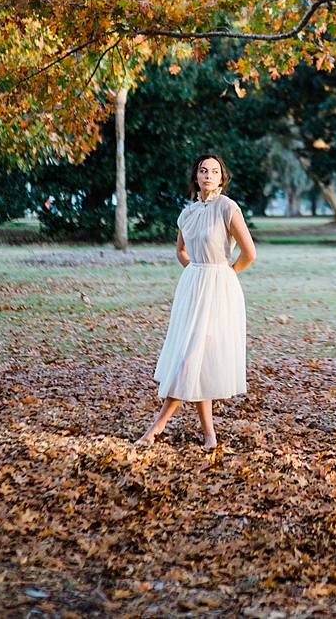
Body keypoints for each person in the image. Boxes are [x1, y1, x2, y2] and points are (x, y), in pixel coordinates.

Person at [135, 153, 256, 450]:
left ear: (221, 178)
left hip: (219, 288)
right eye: (203, 170)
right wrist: (194, 272)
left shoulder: (228, 208)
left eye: (214, 171)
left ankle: (157, 427)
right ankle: (209, 435)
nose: (208, 175)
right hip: (193, 287)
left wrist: (226, 275)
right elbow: (181, 251)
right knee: (194, 359)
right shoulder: (187, 213)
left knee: (191, 359)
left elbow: (249, 253)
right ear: (196, 176)